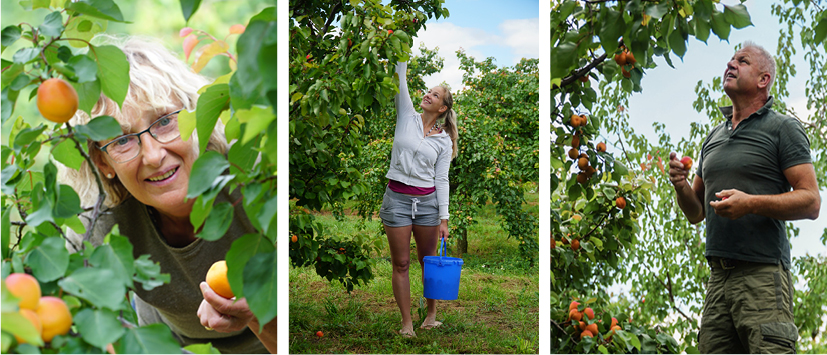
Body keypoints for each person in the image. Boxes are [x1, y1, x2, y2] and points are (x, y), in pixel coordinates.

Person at [59, 36, 276, 353]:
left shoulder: (257, 178)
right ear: (102, 161)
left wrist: (257, 315)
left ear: (194, 115)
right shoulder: (101, 225)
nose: (152, 156)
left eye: (163, 122)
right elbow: (85, 312)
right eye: (122, 140)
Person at [668, 41, 819, 353]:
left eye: (742, 61)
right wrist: (681, 185)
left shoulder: (782, 128)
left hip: (762, 274)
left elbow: (811, 201)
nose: (730, 65)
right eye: (730, 60)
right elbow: (697, 213)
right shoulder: (713, 138)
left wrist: (750, 203)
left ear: (763, 79)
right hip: (718, 278)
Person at [379, 61, 458, 338]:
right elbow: (400, 78)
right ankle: (406, 323)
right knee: (400, 264)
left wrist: (443, 218)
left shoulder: (444, 141)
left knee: (429, 261)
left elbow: (442, 180)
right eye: (428, 91)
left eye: (435, 95)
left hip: (427, 205)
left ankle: (431, 316)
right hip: (397, 200)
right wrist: (400, 54)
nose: (427, 95)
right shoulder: (406, 116)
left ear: (443, 108)